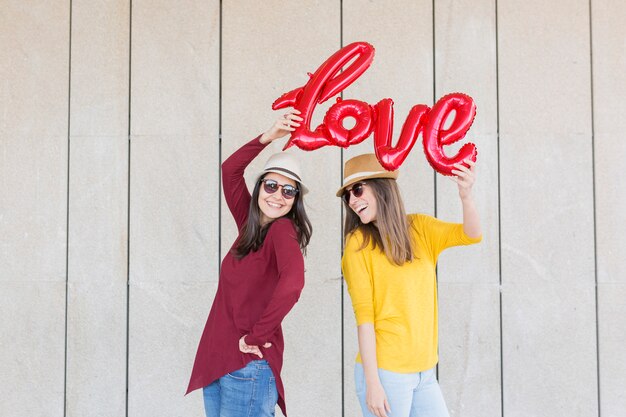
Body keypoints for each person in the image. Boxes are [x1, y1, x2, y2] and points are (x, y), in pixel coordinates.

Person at [186, 110, 311, 417]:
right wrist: (269, 136)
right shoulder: (249, 225)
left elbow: (293, 284)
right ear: (259, 188)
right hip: (218, 359)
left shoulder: (282, 230)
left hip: (248, 366)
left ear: (295, 199)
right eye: (271, 186)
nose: (278, 196)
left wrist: (257, 336)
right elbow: (230, 170)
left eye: (288, 191)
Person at [339, 154, 482, 417]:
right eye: (347, 195)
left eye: (357, 189)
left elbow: (471, 234)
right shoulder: (357, 244)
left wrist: (466, 196)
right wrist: (373, 384)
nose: (352, 200)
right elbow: (365, 319)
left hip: (424, 372)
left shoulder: (420, 228)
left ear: (381, 185)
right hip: (386, 373)